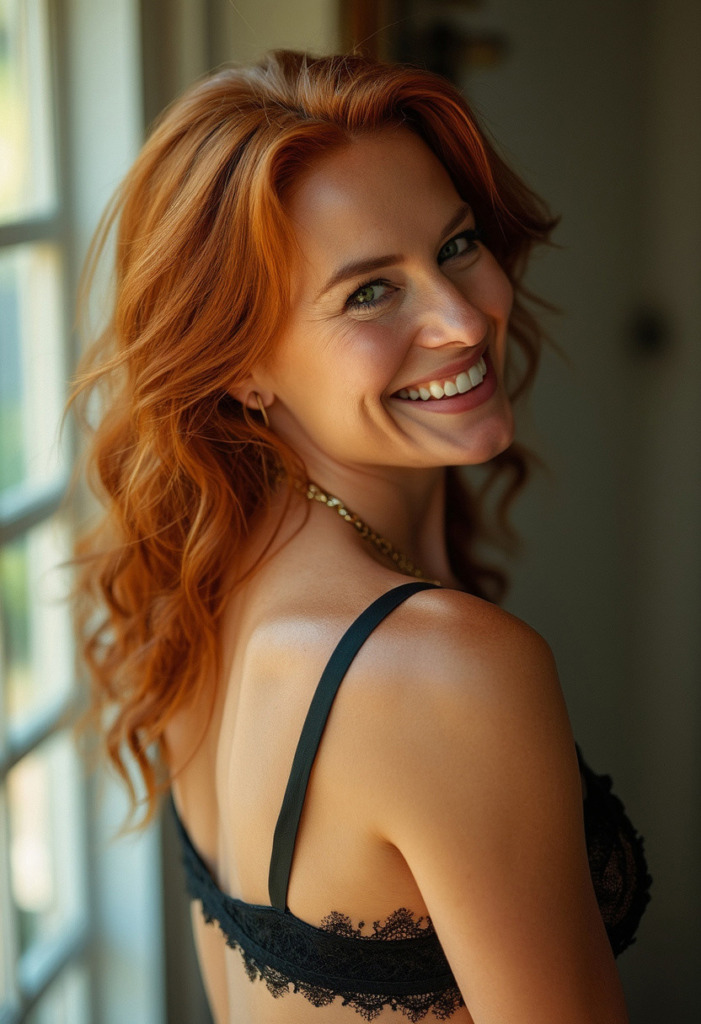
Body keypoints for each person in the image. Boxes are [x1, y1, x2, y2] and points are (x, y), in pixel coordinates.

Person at [70, 50, 650, 1023]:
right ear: (242, 365)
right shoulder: (441, 670)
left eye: (457, 244)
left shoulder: (194, 593)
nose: (464, 319)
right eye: (369, 292)